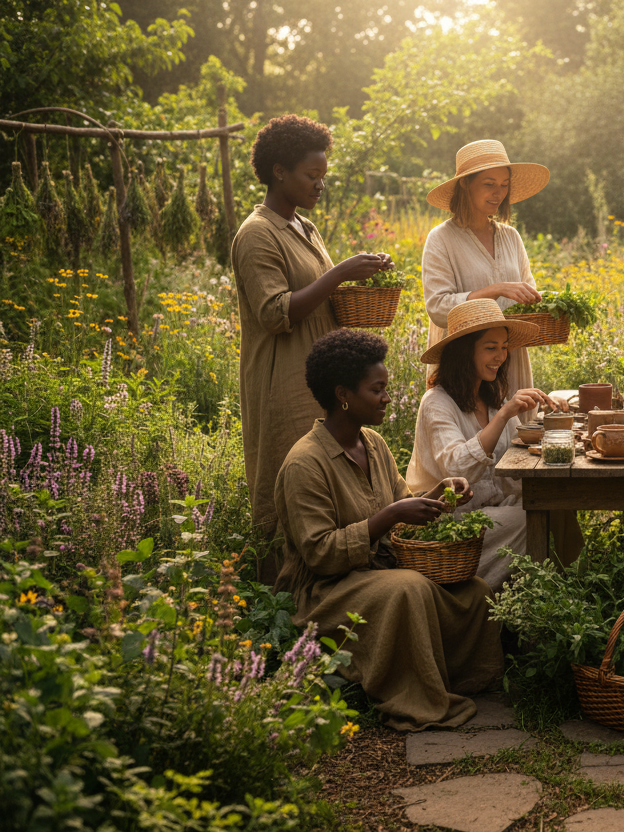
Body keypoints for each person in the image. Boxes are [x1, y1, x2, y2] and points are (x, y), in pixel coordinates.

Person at [273, 329, 503, 731]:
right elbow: (320, 554)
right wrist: (390, 516)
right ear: (343, 394)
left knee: (473, 591)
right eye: (376, 390)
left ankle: (460, 680)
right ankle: (418, 695)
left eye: (386, 387)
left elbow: (398, 500)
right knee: (408, 589)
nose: (386, 397)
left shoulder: (373, 444)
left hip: (377, 571)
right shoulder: (304, 464)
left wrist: (441, 494)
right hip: (328, 590)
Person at [231, 114, 395, 583]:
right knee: (288, 480)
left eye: (323, 176)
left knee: (327, 482)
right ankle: (283, 600)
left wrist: (362, 280)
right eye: (311, 175)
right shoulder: (257, 232)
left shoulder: (304, 227)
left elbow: (323, 297)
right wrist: (341, 272)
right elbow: (275, 311)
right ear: (279, 171)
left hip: (320, 376)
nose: (319, 185)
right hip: (283, 381)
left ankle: (345, 588)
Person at [408, 299, 582, 590]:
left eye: (504, 347)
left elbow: (514, 457)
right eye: (491, 347)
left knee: (558, 505)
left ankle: (565, 590)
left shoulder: (488, 395)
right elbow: (458, 468)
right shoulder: (436, 402)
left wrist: (549, 418)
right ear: (464, 353)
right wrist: (504, 414)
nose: (500, 356)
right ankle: (525, 600)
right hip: (452, 523)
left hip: (495, 508)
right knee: (533, 518)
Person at [418, 139, 548, 401]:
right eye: (489, 184)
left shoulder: (511, 237)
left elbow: (528, 294)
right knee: (470, 436)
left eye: (504, 185)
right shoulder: (441, 238)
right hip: (465, 363)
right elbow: (438, 307)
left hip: (510, 357)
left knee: (516, 435)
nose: (498, 193)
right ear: (465, 184)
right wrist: (496, 290)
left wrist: (548, 302)